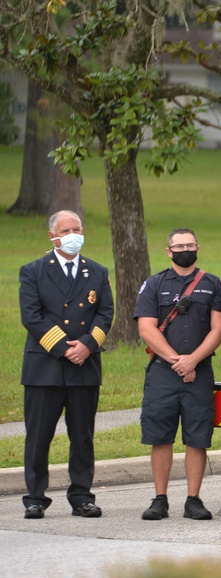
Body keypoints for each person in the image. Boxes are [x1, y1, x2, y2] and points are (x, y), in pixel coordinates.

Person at [19, 210, 114, 519]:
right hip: (45, 367)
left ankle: (82, 496)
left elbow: (105, 312)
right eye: (66, 230)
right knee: (39, 436)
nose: (74, 234)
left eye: (77, 228)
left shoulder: (97, 272)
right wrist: (64, 348)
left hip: (84, 366)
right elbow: (31, 316)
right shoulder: (33, 271)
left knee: (82, 436)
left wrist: (87, 344)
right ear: (53, 236)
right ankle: (35, 496)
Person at [134, 228, 221, 521]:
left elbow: (219, 328)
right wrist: (178, 361)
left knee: (196, 437)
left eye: (190, 244)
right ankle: (159, 499)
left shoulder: (213, 284)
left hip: (198, 373)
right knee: (160, 436)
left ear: (197, 247)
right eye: (179, 245)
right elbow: (146, 329)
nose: (185, 249)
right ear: (169, 251)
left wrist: (194, 361)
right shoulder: (153, 284)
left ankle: (193, 500)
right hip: (164, 372)